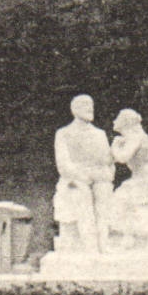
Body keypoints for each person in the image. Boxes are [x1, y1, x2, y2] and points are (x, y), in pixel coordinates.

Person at [53, 94, 115, 253]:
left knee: (104, 191)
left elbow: (108, 162)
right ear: (74, 110)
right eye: (85, 105)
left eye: (91, 105)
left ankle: (104, 243)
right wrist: (83, 177)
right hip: (73, 179)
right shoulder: (63, 133)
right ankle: (90, 245)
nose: (90, 108)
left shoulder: (99, 134)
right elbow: (63, 165)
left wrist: (105, 176)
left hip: (97, 178)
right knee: (81, 193)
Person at [109, 108, 148, 251]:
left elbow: (122, 157)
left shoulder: (136, 137)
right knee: (126, 203)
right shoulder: (138, 137)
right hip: (143, 178)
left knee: (121, 201)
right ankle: (131, 237)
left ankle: (134, 238)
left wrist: (114, 146)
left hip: (146, 179)